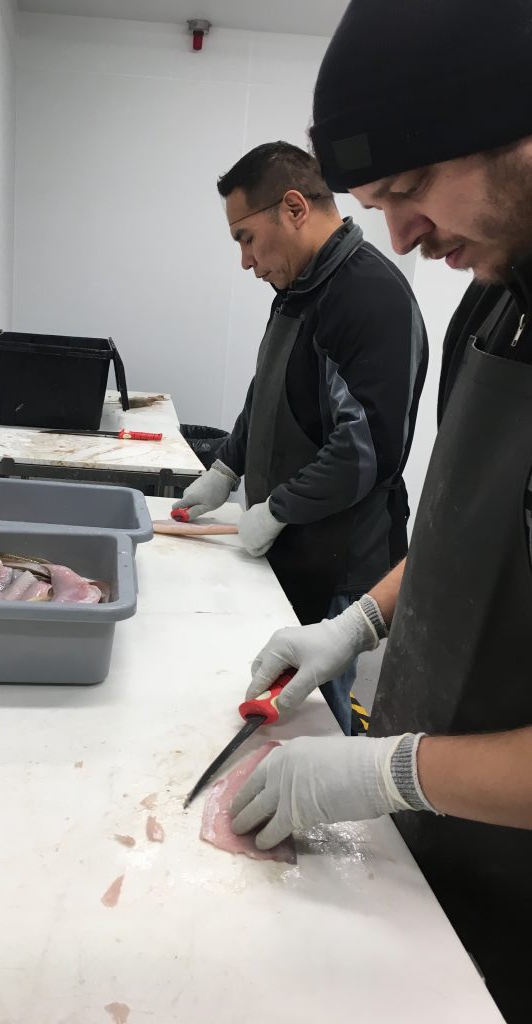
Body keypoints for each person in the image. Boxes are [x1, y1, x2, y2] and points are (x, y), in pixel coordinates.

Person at [229, 2, 532, 1019]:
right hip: (431, 840)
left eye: (407, 190)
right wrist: (356, 622)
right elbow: (461, 525)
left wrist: (388, 769)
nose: (397, 235)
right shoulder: (494, 303)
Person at [173, 142, 427, 734]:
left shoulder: (369, 296)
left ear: (292, 208)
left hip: (342, 563)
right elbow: (267, 393)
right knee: (272, 698)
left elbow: (366, 451)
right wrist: (227, 469)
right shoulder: (299, 289)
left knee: (312, 716)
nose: (245, 260)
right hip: (294, 543)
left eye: (245, 238)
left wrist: (276, 508)